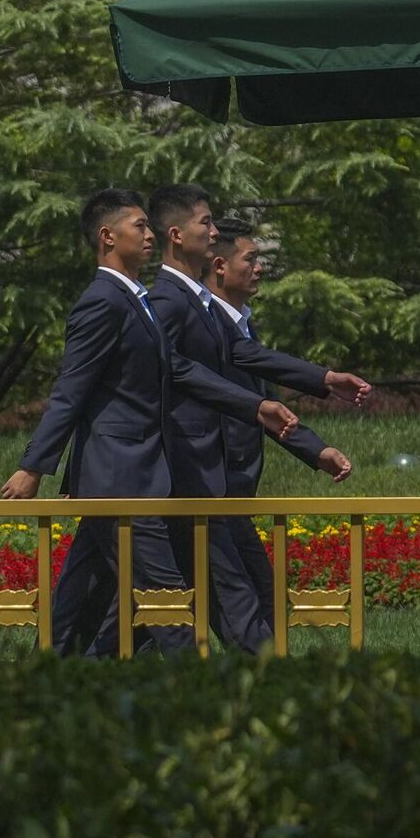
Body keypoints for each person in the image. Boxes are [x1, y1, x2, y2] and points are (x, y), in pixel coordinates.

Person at [0, 189, 300, 657]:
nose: (148, 235)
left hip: (130, 477)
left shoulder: (135, 298)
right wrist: (34, 466)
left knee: (81, 608)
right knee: (166, 604)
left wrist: (254, 406)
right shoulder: (103, 300)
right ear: (107, 236)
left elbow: (178, 369)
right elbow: (72, 389)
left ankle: (44, 684)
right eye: (138, 226)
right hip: (121, 480)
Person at [142, 187, 360, 651]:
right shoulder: (167, 300)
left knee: (253, 600)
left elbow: (248, 358)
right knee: (237, 609)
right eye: (206, 223)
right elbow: (172, 370)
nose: (213, 231)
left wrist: (323, 380)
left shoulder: (202, 305)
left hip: (222, 487)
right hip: (194, 481)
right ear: (177, 235)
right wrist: (256, 406)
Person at [208, 217, 356, 628]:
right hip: (206, 492)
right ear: (219, 265)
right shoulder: (205, 322)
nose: (259, 268)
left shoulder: (241, 323)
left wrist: (316, 451)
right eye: (250, 259)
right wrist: (326, 379)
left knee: (255, 604)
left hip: (230, 496)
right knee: (249, 611)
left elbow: (267, 406)